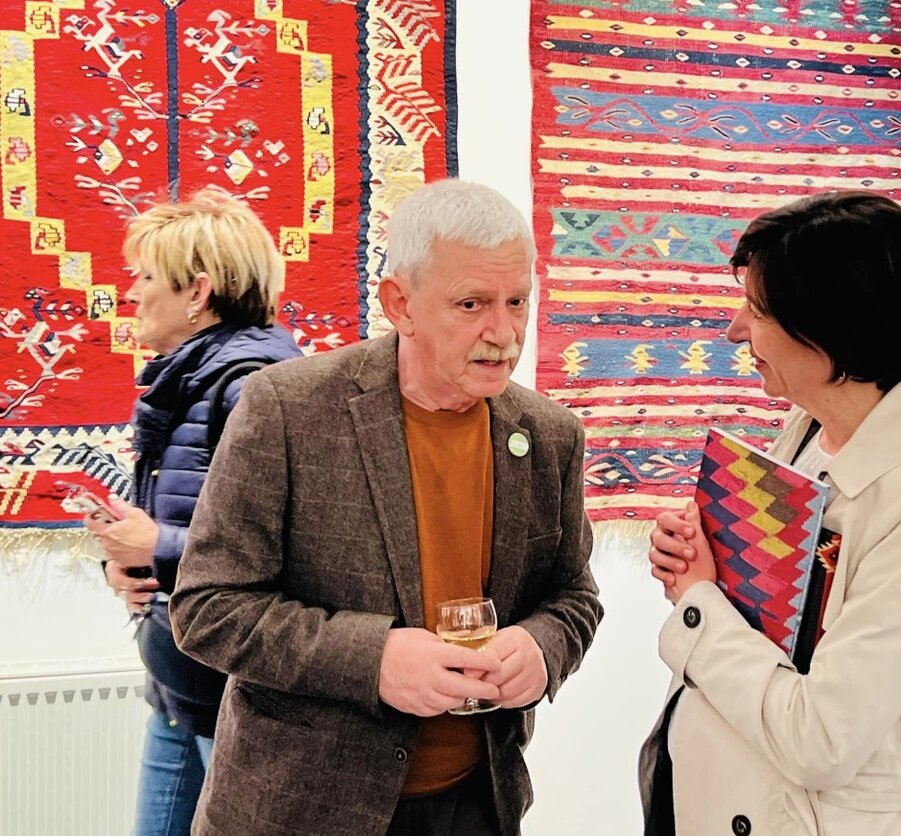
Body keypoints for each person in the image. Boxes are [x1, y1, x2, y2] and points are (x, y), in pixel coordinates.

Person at [168, 179, 603, 836]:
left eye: (517, 301)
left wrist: (542, 649)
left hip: (475, 806)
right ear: (400, 304)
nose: (504, 332)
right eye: (471, 304)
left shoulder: (550, 436)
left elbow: (574, 596)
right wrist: (374, 659)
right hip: (300, 814)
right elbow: (208, 607)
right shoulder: (287, 410)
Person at [640, 192, 901, 835]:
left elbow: (821, 739)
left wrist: (698, 604)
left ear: (833, 336)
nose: (735, 330)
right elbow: (773, 613)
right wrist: (703, 553)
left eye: (759, 311)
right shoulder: (810, 428)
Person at [85, 188, 302, 836]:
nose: (131, 293)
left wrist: (156, 546)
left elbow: (287, 553)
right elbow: (194, 525)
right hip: (184, 693)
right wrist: (129, 566)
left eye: (145, 277)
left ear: (197, 292)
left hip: (233, 700)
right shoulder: (189, 381)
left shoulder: (251, 389)